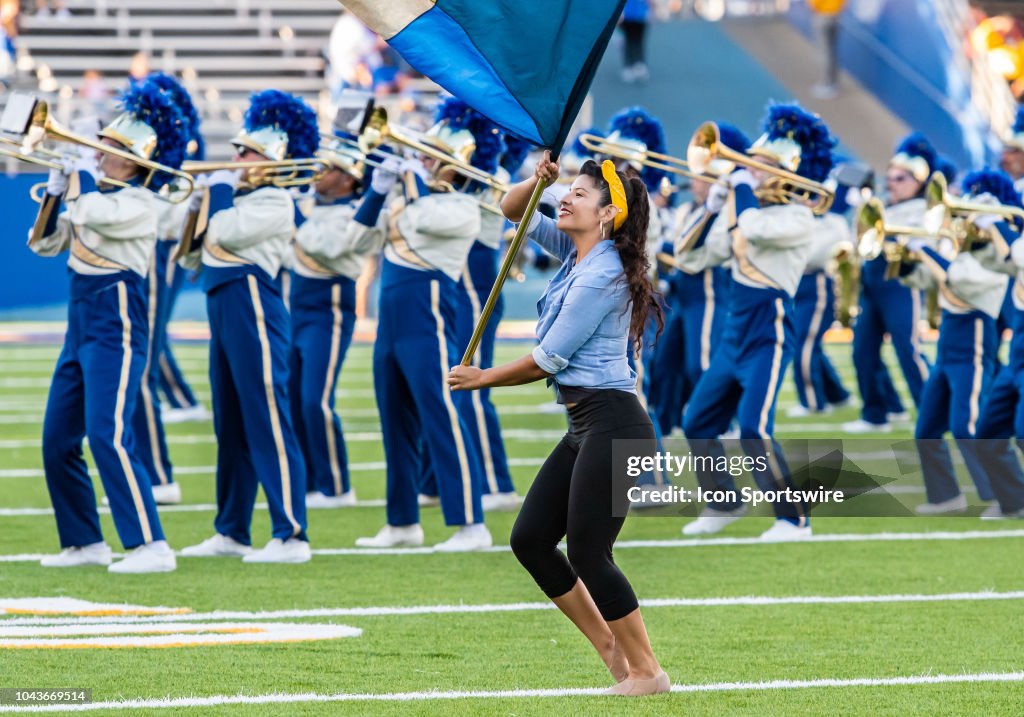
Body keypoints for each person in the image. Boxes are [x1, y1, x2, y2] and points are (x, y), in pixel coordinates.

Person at [449, 154, 670, 696]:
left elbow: (547, 360)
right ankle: (611, 649)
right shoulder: (579, 252)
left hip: (616, 424)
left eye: (579, 194)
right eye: (566, 190)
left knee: (590, 552)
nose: (566, 199)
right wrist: (538, 179)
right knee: (530, 539)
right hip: (586, 425)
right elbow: (511, 208)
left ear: (606, 214)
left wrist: (480, 379)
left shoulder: (603, 273)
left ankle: (649, 673)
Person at [31, 81, 188, 573]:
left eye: (113, 148)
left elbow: (95, 213)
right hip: (80, 326)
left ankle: (150, 545)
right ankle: (84, 541)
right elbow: (44, 244)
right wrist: (54, 195)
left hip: (116, 324)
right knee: (57, 439)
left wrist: (75, 182)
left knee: (109, 435)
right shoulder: (91, 194)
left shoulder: (143, 203)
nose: (100, 152)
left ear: (137, 161)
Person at [677, 104, 835, 540]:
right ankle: (723, 502)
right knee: (697, 422)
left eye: (761, 165)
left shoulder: (799, 216)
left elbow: (755, 227)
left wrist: (738, 189)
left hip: (770, 333)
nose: (749, 168)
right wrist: (710, 207)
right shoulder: (742, 207)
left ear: (785, 173)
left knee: (754, 429)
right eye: (751, 162)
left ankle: (794, 519)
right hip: (734, 334)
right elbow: (688, 257)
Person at [179, 90, 318, 564]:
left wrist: (216, 190)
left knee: (267, 417)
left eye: (247, 152)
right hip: (223, 304)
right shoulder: (238, 197)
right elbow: (190, 253)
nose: (236, 157)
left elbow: (223, 232)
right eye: (236, 150)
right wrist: (205, 197)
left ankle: (291, 533)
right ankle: (232, 529)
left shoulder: (275, 200)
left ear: (272, 161)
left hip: (253, 303)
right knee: (231, 421)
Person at [356, 99, 492, 552]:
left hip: (427, 317)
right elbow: (357, 241)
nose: (423, 158)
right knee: (393, 417)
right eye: (423, 152)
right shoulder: (405, 197)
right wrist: (376, 190)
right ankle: (402, 521)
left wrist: (410, 181)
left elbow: (421, 223)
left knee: (441, 414)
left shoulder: (463, 209)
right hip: (391, 322)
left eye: (433, 155)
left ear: (456, 166)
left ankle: (472, 522)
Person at [290, 133, 390, 508]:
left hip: (329, 310)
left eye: (331, 168)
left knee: (315, 399)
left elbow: (329, 247)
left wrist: (295, 213)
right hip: (296, 309)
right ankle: (309, 481)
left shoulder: (359, 213)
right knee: (293, 398)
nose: (321, 172)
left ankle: (336, 485)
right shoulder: (308, 201)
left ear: (349, 178)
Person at [907, 170, 1009, 514]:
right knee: (927, 429)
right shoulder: (961, 250)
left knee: (967, 425)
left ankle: (999, 494)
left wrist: (925, 250)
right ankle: (945, 496)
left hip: (975, 342)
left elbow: (957, 279)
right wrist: (906, 261)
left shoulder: (995, 260)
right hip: (948, 345)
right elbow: (927, 280)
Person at [130, 71, 205, 506]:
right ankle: (148, 469)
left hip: (157, 253)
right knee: (139, 358)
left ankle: (159, 475)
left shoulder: (175, 150)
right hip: (141, 252)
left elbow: (169, 211)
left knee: (142, 362)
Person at [844, 134, 935, 433]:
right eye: (891, 177)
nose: (892, 182)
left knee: (907, 350)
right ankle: (875, 413)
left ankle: (931, 415)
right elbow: (859, 241)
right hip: (872, 287)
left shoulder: (922, 211)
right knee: (862, 351)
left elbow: (919, 246)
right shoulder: (882, 206)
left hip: (900, 286)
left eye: (900, 178)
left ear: (918, 182)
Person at [788, 185, 852, 416]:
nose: (805, 201)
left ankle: (812, 402)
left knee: (804, 344)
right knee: (808, 343)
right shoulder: (795, 219)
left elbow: (811, 255)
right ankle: (839, 395)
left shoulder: (834, 222)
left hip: (818, 285)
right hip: (797, 285)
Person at [620, 0, 650, 84]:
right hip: (628, 15)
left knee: (636, 40)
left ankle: (637, 64)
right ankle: (629, 66)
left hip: (639, 14)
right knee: (630, 41)